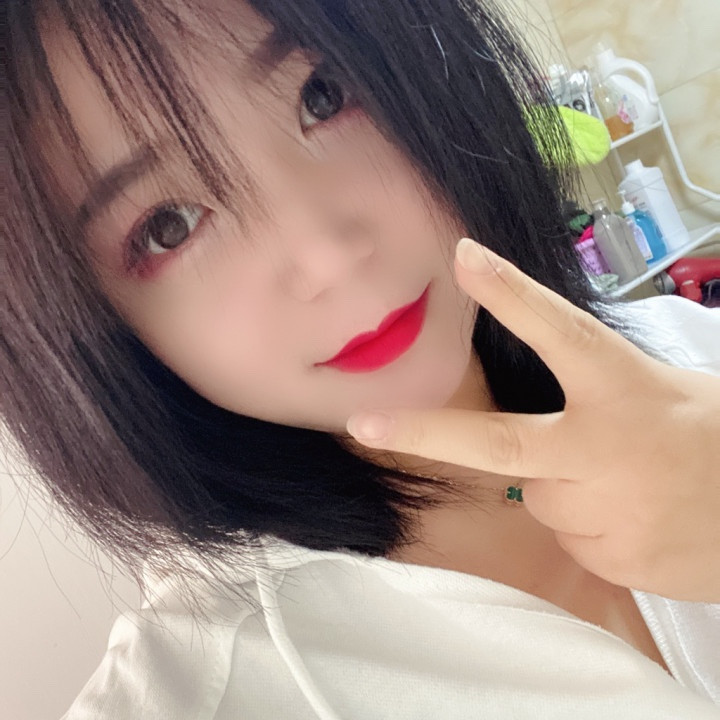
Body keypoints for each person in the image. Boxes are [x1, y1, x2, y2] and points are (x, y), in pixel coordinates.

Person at [2, 1, 719, 718]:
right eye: (170, 226)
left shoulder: (687, 353)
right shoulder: (201, 692)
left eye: (323, 96)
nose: (327, 256)